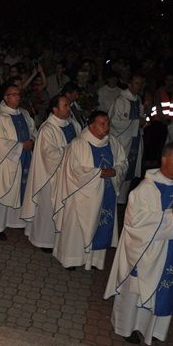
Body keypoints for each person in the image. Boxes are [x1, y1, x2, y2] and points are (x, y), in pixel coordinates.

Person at [104, 143, 173, 346]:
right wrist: (170, 218)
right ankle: (126, 327)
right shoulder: (145, 189)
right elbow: (134, 222)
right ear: (164, 159)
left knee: (165, 288)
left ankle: (153, 329)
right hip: (146, 251)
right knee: (136, 290)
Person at [53, 111, 128, 270]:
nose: (106, 127)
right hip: (81, 196)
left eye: (107, 123)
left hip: (106, 193)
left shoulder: (113, 143)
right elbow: (73, 170)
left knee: (102, 223)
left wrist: (116, 171)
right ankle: (71, 259)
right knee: (76, 228)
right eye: (102, 124)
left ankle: (94, 261)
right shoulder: (78, 144)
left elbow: (123, 162)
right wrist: (98, 173)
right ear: (91, 125)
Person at [22, 95, 80, 252]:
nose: (68, 108)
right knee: (48, 208)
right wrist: (71, 152)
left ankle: (61, 239)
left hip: (70, 175)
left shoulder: (73, 124)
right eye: (65, 105)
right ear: (55, 109)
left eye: (68, 105)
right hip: (50, 175)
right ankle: (44, 241)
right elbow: (49, 154)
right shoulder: (47, 129)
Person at [0, 84, 36, 240]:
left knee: (20, 190)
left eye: (18, 94)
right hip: (5, 162)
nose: (17, 97)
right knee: (2, 192)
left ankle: (15, 221)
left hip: (25, 159)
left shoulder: (24, 114)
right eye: (13, 94)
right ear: (5, 98)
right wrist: (20, 146)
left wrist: (32, 140)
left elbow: (32, 130)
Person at [108, 75, 145, 204]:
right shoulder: (120, 100)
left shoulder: (138, 99)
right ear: (129, 84)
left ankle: (122, 200)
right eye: (136, 83)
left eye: (140, 84)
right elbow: (114, 122)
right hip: (122, 141)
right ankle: (114, 199)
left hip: (134, 140)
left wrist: (142, 121)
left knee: (130, 170)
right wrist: (136, 123)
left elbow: (141, 117)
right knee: (121, 168)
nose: (138, 86)